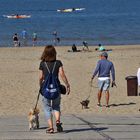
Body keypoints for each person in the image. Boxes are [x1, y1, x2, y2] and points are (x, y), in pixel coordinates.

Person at [39, 45, 70, 133]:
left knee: (47, 107)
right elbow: (62, 74)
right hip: (56, 88)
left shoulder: (42, 63)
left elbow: (41, 77)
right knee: (56, 106)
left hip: (46, 88)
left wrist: (40, 85)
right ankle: (57, 121)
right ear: (54, 53)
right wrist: (67, 84)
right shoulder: (58, 63)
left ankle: (51, 127)